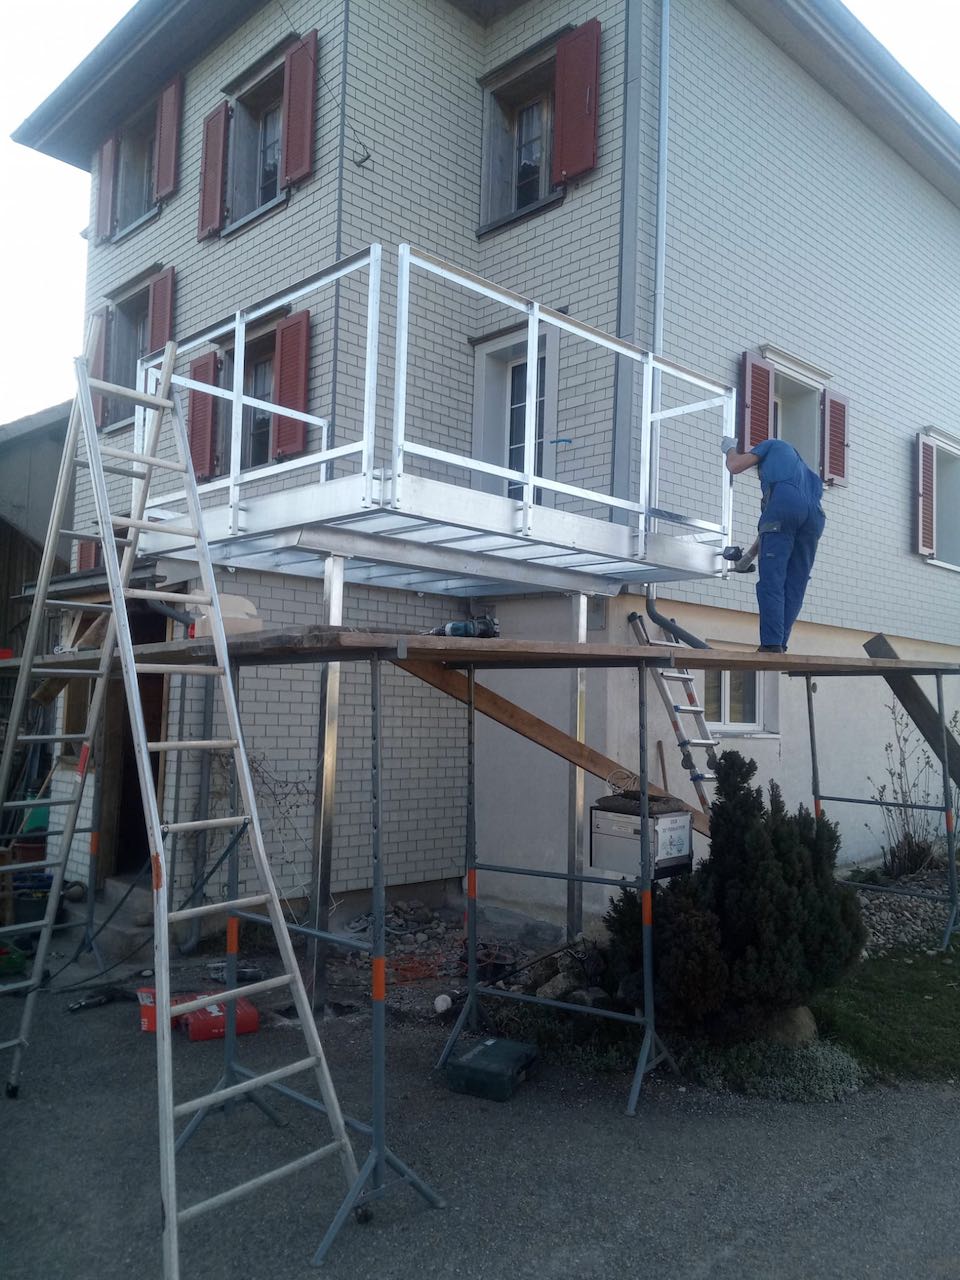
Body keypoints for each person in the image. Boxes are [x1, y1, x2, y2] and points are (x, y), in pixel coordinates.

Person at [720, 434, 825, 652]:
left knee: (773, 580)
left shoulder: (772, 445)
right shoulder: (806, 475)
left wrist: (730, 448)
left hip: (786, 507)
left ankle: (771, 643)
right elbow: (773, 529)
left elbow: (735, 466)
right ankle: (779, 643)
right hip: (814, 518)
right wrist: (749, 556)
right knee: (795, 584)